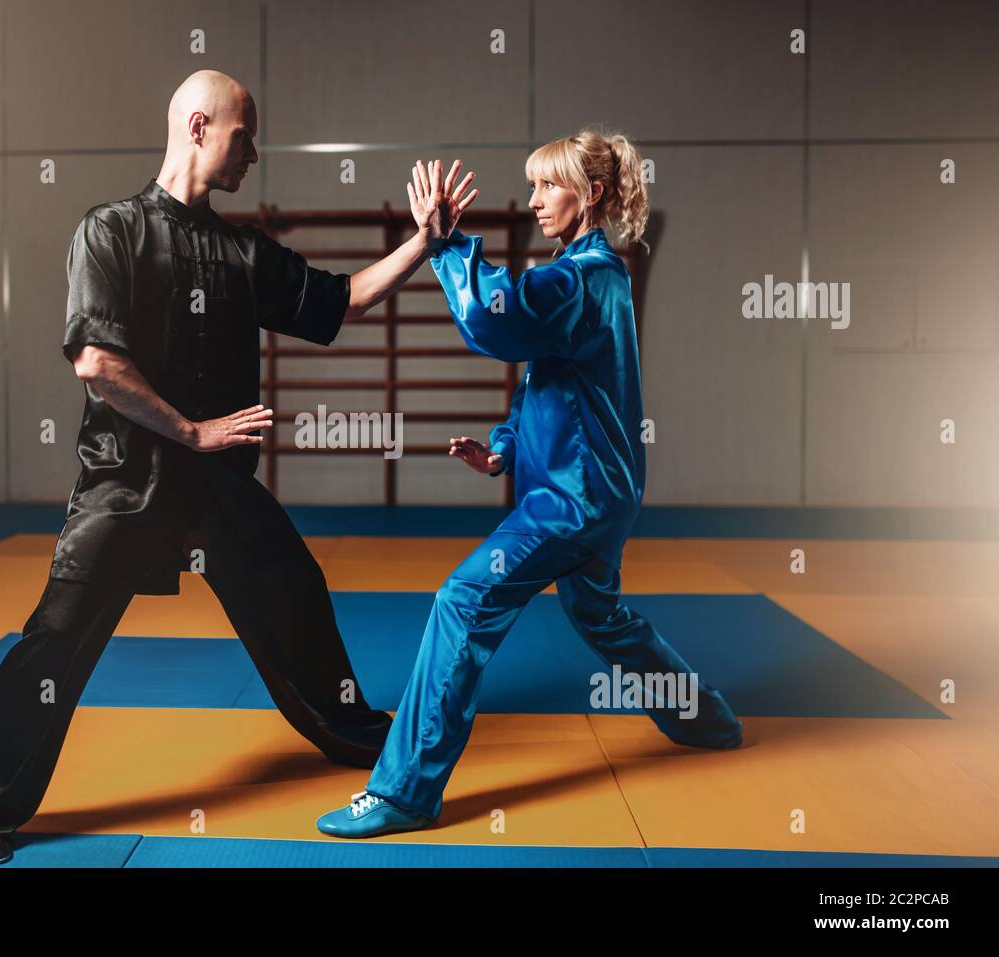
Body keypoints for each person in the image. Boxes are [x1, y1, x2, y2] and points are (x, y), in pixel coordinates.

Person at [0, 70, 467, 865]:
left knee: (295, 593)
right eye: (243, 134)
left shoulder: (240, 252)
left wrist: (426, 241)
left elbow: (344, 301)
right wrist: (193, 430)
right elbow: (95, 362)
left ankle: (366, 747)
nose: (254, 151)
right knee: (54, 642)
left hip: (217, 491)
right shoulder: (108, 231)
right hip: (125, 482)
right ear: (196, 126)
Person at [316, 132, 744, 839]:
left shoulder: (579, 279)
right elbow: (547, 385)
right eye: (535, 185)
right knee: (603, 619)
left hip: (571, 503)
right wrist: (503, 452)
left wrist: (446, 244)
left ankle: (402, 791)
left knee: (463, 598)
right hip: (599, 494)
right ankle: (708, 717)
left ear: (593, 195)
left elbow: (491, 316)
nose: (536, 200)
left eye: (549, 187)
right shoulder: (591, 275)